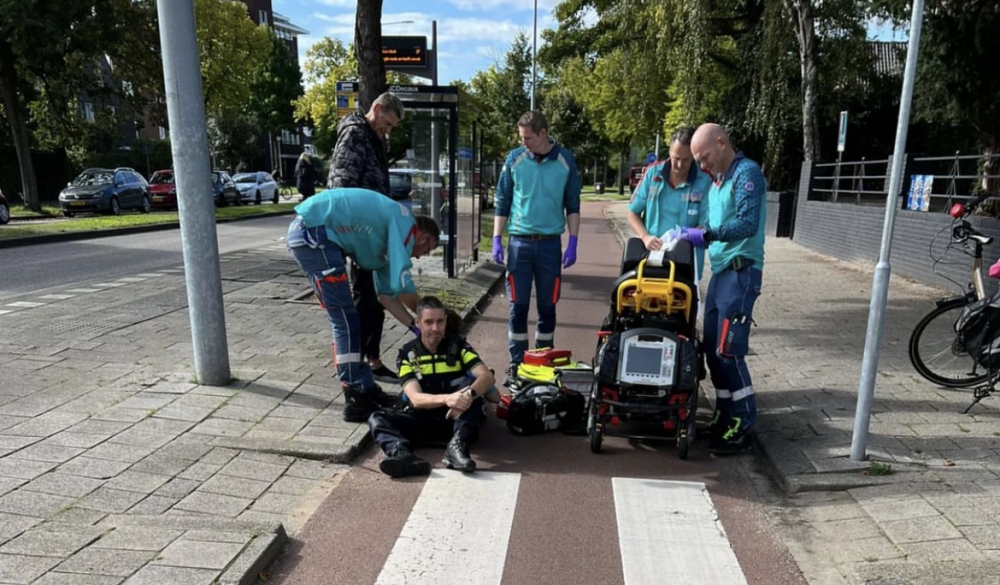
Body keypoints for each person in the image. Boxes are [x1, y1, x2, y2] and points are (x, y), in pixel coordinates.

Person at [287, 187, 440, 423]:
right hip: (315, 233)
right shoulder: (404, 228)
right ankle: (355, 395)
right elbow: (406, 290)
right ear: (423, 238)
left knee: (349, 319)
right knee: (345, 320)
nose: (418, 257)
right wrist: (430, 324)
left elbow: (386, 297)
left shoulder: (390, 234)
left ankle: (365, 387)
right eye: (425, 251)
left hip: (315, 233)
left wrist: (417, 327)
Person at [681, 123, 766, 455]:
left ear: (721, 143)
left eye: (704, 158)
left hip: (740, 273)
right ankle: (725, 413)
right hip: (720, 274)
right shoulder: (718, 182)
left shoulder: (747, 174)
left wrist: (707, 234)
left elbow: (746, 222)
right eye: (697, 161)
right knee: (714, 353)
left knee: (729, 352)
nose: (702, 166)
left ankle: (743, 423)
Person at [491, 110, 582, 387]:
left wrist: (574, 241)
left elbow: (573, 203)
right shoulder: (515, 159)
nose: (524, 142)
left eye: (528, 137)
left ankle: (542, 364)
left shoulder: (565, 160)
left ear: (543, 134)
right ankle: (516, 365)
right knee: (517, 307)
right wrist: (497, 237)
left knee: (547, 307)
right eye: (521, 137)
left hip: (549, 246)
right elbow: (503, 199)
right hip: (519, 243)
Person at [368, 296, 500, 478]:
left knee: (474, 401)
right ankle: (403, 455)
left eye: (439, 322)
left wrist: (467, 396)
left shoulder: (459, 347)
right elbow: (415, 398)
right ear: (418, 323)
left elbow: (486, 376)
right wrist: (447, 398)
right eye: (429, 322)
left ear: (446, 321)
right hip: (422, 420)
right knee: (377, 418)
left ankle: (457, 447)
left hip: (456, 419)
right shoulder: (408, 354)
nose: (435, 329)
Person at [328, 92, 405, 383]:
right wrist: (357, 233)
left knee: (374, 295)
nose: (387, 130)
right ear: (376, 109)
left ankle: (371, 358)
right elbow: (343, 185)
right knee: (364, 296)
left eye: (391, 127)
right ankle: (357, 361)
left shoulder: (373, 138)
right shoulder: (355, 135)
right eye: (386, 123)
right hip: (359, 233)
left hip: (371, 230)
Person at [625, 127, 713, 281]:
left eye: (685, 160)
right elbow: (632, 212)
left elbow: (706, 223)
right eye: (675, 158)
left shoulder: (704, 181)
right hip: (651, 258)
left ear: (694, 156)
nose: (679, 165)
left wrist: (684, 239)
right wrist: (645, 237)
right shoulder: (653, 174)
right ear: (670, 152)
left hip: (685, 261)